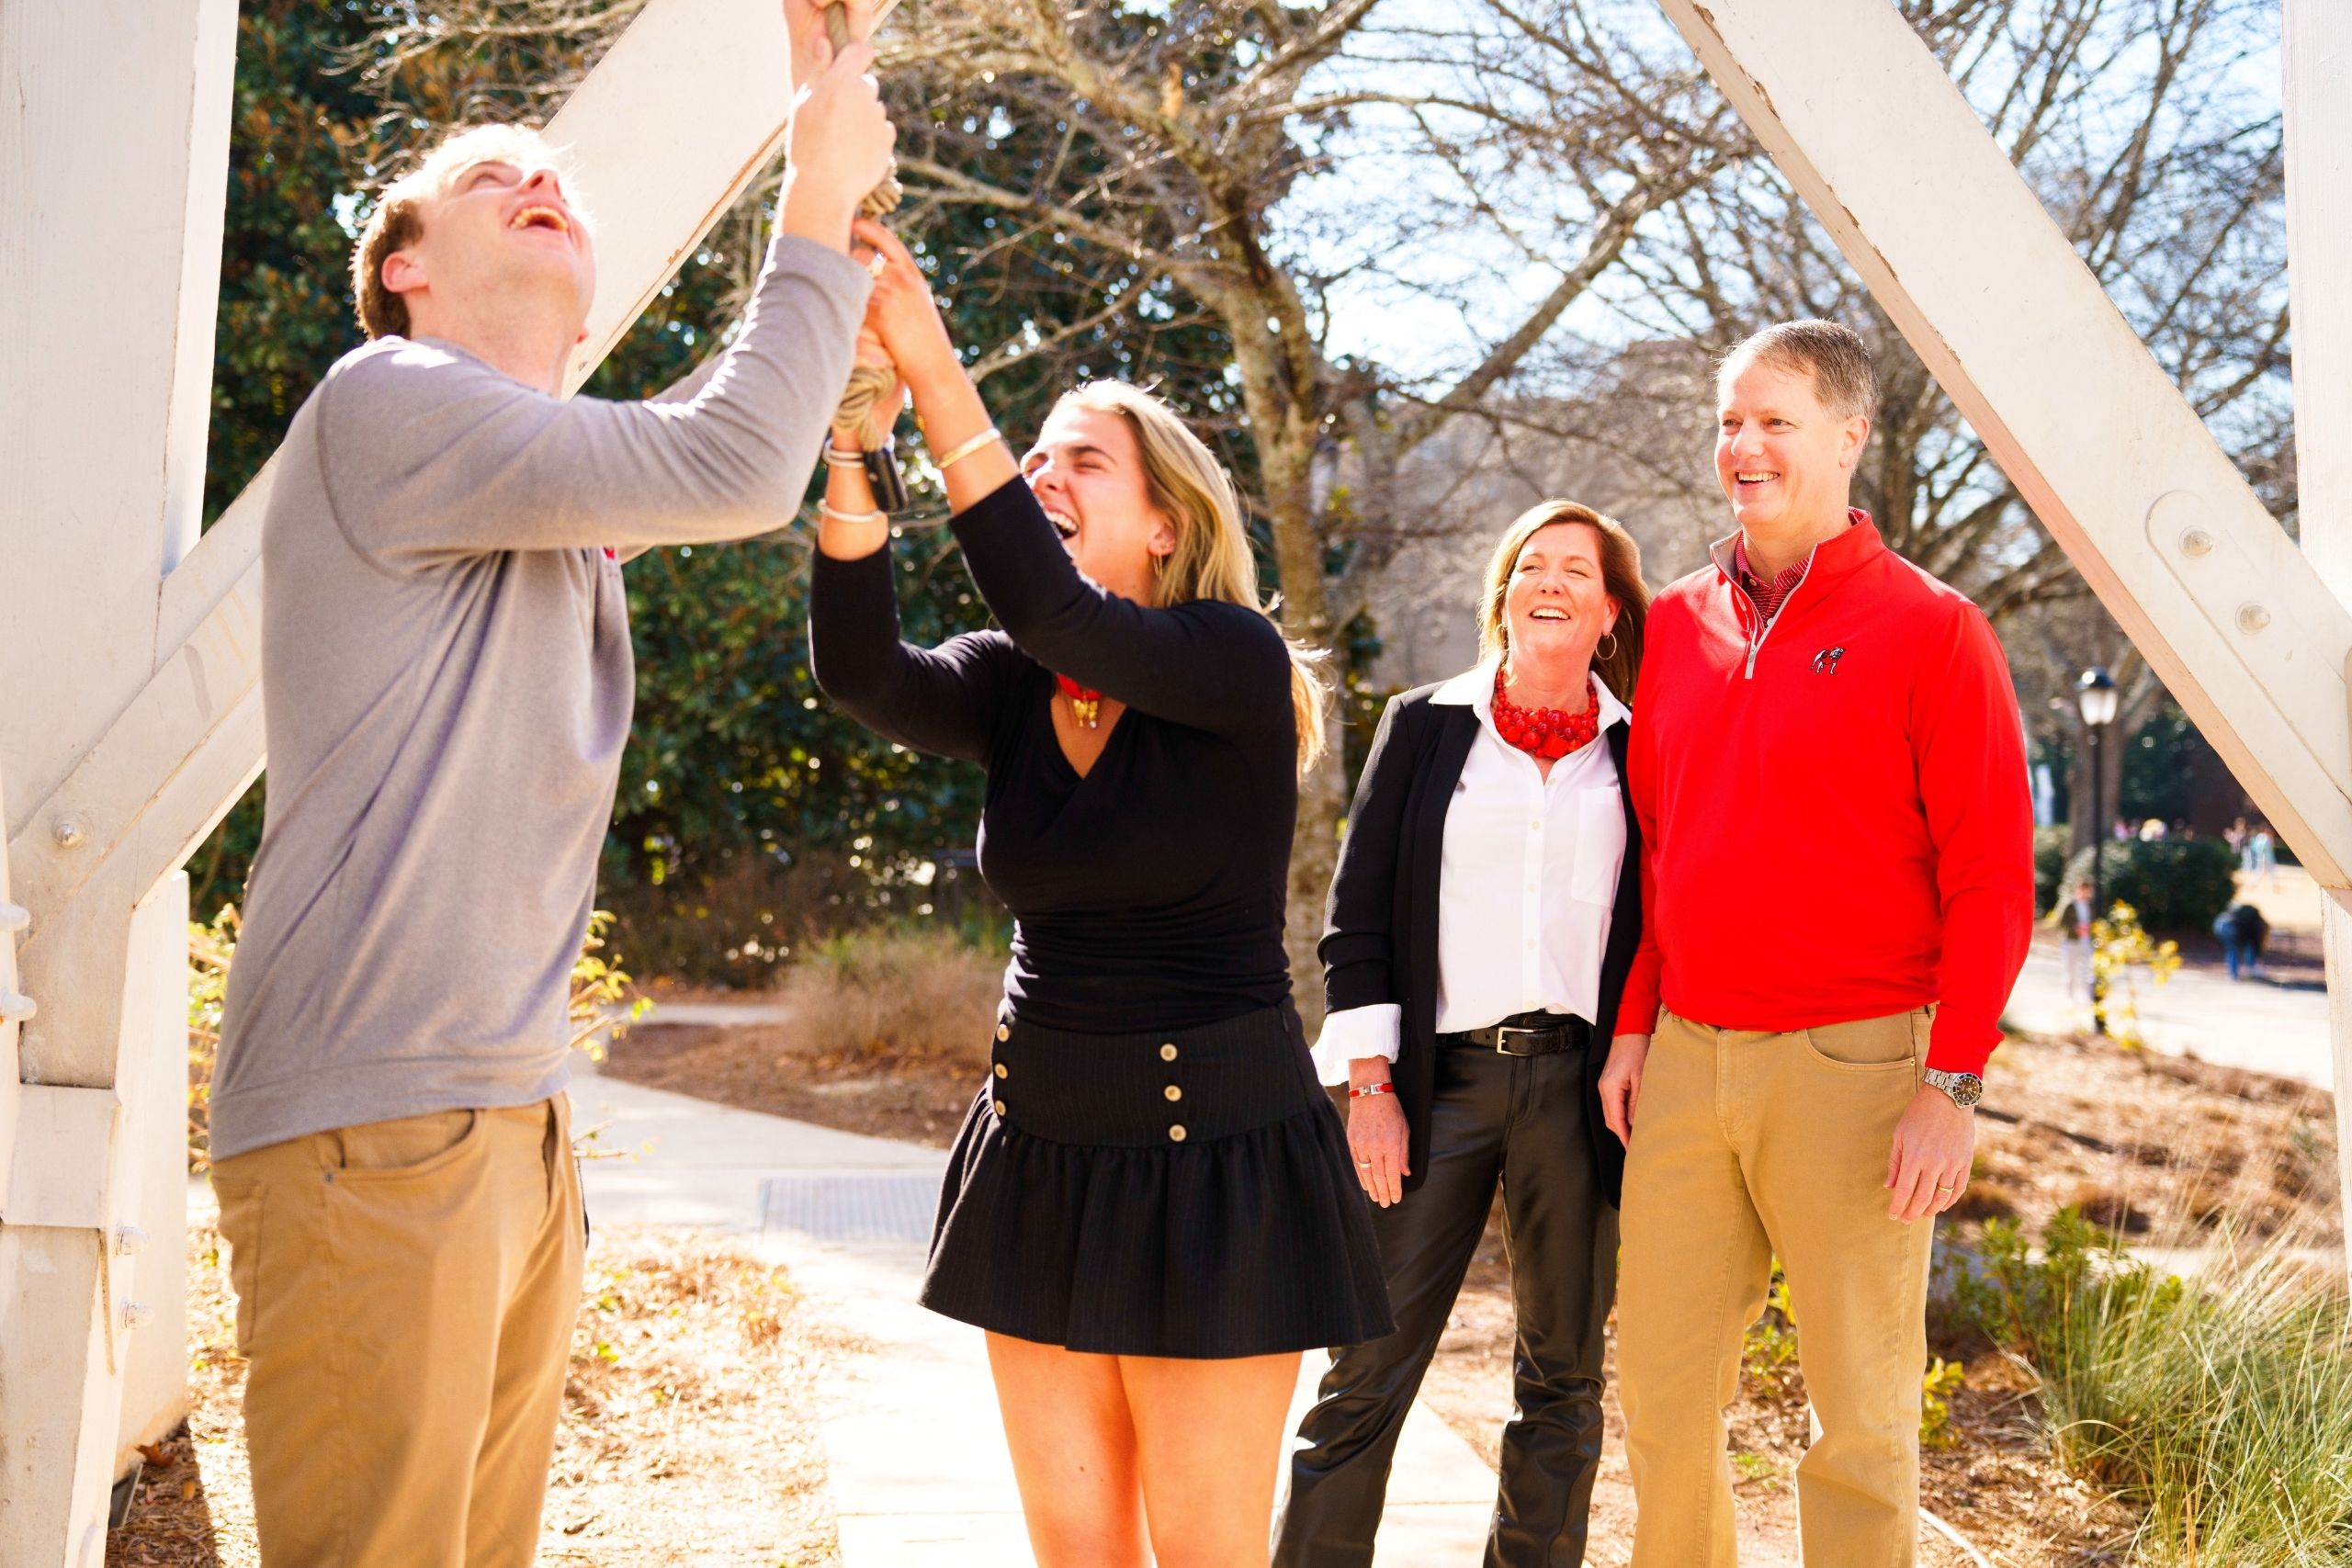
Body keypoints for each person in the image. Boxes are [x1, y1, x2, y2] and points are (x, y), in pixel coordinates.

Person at [203, 12, 894, 1563]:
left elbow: (723, 444)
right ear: (406, 269)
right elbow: (730, 464)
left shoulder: (524, 498)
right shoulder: (388, 400)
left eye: (559, 182)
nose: (540, 178)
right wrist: (812, 179)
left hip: (507, 1117)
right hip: (371, 1111)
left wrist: (826, 144)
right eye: (488, 174)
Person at [808, 221, 1391, 1568]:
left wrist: (936, 364)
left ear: (1166, 521)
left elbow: (1067, 616)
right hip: (1044, 1144)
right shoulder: (1018, 679)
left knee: (1199, 1555)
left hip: (1220, 1162)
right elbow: (862, 673)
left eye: (1082, 459)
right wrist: (857, 440)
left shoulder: (1230, 660)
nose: (1041, 471)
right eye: (1037, 453)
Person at [1600, 320, 2033, 1566]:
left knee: (1861, 1420)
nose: (1744, 445)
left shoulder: (1934, 628)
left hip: (1858, 1066)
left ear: (1851, 435)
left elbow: (1995, 877)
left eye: (1776, 420)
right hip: (1688, 1059)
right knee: (1666, 1402)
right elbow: (1664, 850)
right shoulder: (1674, 623)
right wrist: (1638, 1024)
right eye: (1731, 419)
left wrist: (1951, 1087)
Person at [1274, 502, 1649, 1567]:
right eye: (1532, 564)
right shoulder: (1426, 725)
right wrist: (1370, 1087)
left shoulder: (1642, 750)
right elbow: (1357, 920)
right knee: (1364, 1371)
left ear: (1609, 611)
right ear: (1503, 596)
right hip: (1438, 1086)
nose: (1551, 581)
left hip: (1583, 1098)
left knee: (1564, 1380)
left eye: (1577, 570)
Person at [2053, 876, 2096, 1006]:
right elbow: (2061, 922)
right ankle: (2070, 997)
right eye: (2083, 889)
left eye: (2087, 890)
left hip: (2086, 942)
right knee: (2070, 970)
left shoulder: (2091, 906)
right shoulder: (2070, 905)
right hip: (2071, 942)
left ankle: (2088, 997)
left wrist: (2090, 929)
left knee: (2087, 970)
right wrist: (2076, 928)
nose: (2085, 892)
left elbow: (2095, 922)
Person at [2214, 901, 2270, 980]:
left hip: (2229, 933)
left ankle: (2237, 973)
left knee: (2233, 951)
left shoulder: (2225, 917)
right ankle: (2237, 974)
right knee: (2234, 951)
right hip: (2233, 934)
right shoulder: (2243, 919)